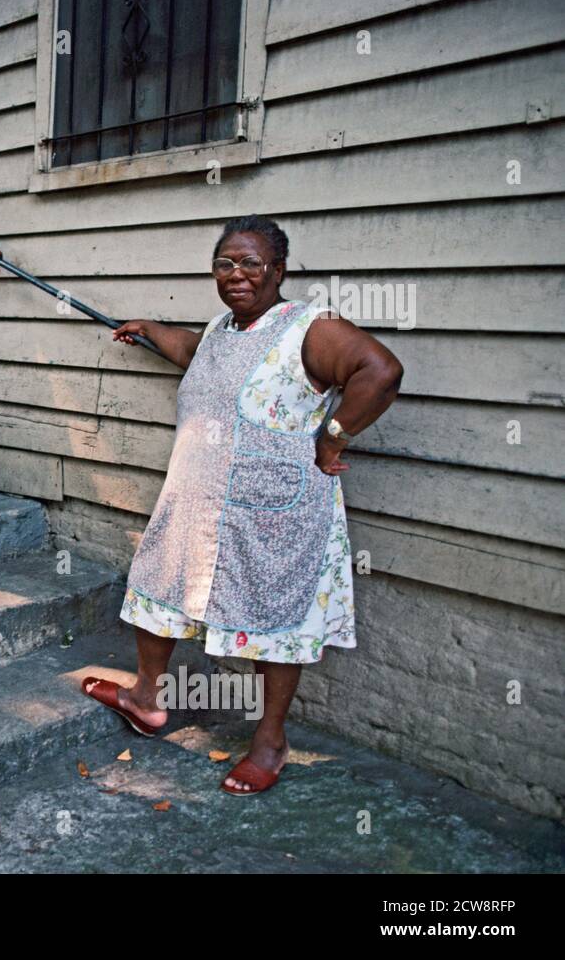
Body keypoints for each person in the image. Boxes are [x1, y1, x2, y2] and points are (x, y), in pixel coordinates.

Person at [83, 214, 404, 795]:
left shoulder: (309, 326)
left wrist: (333, 435)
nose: (236, 274)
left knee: (274, 622)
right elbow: (196, 354)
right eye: (225, 263)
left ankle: (270, 743)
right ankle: (146, 699)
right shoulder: (221, 330)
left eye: (251, 263)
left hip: (274, 513)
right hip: (196, 499)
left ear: (277, 270)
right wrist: (151, 329)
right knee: (159, 588)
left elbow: (380, 371)